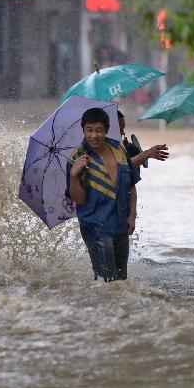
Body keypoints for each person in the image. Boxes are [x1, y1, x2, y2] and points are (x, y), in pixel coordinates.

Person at [66, 107, 140, 282]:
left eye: (98, 130)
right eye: (89, 130)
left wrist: (132, 216)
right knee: (106, 281)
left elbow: (131, 185)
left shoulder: (119, 151)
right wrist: (74, 175)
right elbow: (79, 199)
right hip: (95, 228)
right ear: (83, 130)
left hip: (121, 225)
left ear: (106, 130)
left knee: (121, 282)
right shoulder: (77, 158)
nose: (93, 135)